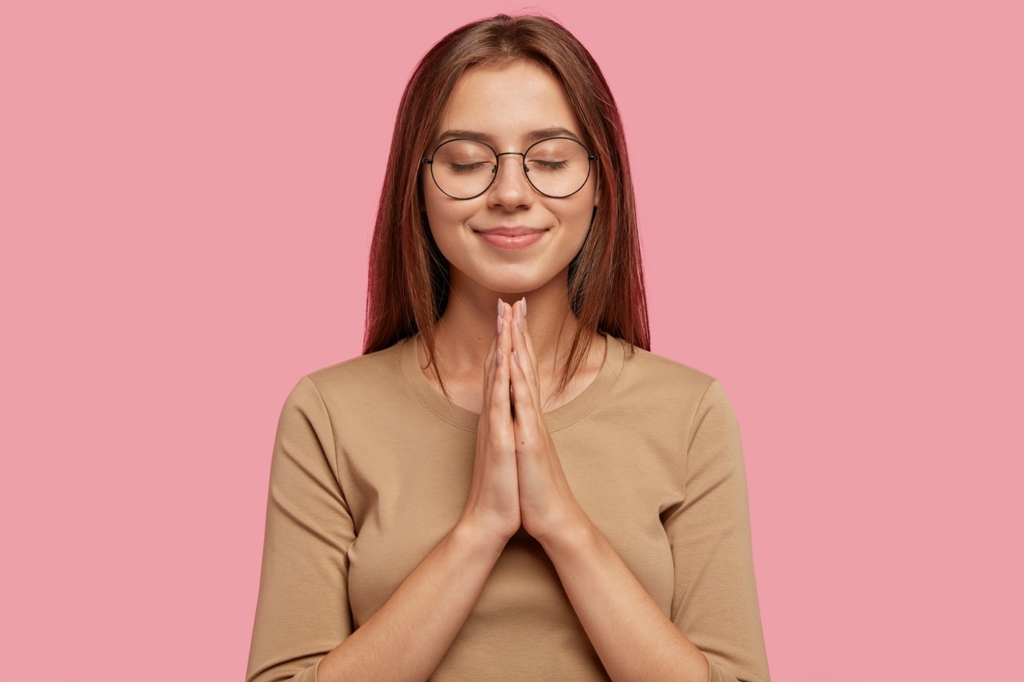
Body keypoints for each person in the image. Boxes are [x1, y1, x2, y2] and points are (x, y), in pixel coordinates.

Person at [246, 14, 770, 682]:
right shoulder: (328, 413)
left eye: (551, 160)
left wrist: (563, 525)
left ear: (602, 183)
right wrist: (480, 530)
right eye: (467, 163)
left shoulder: (690, 411)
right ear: (418, 184)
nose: (512, 194)